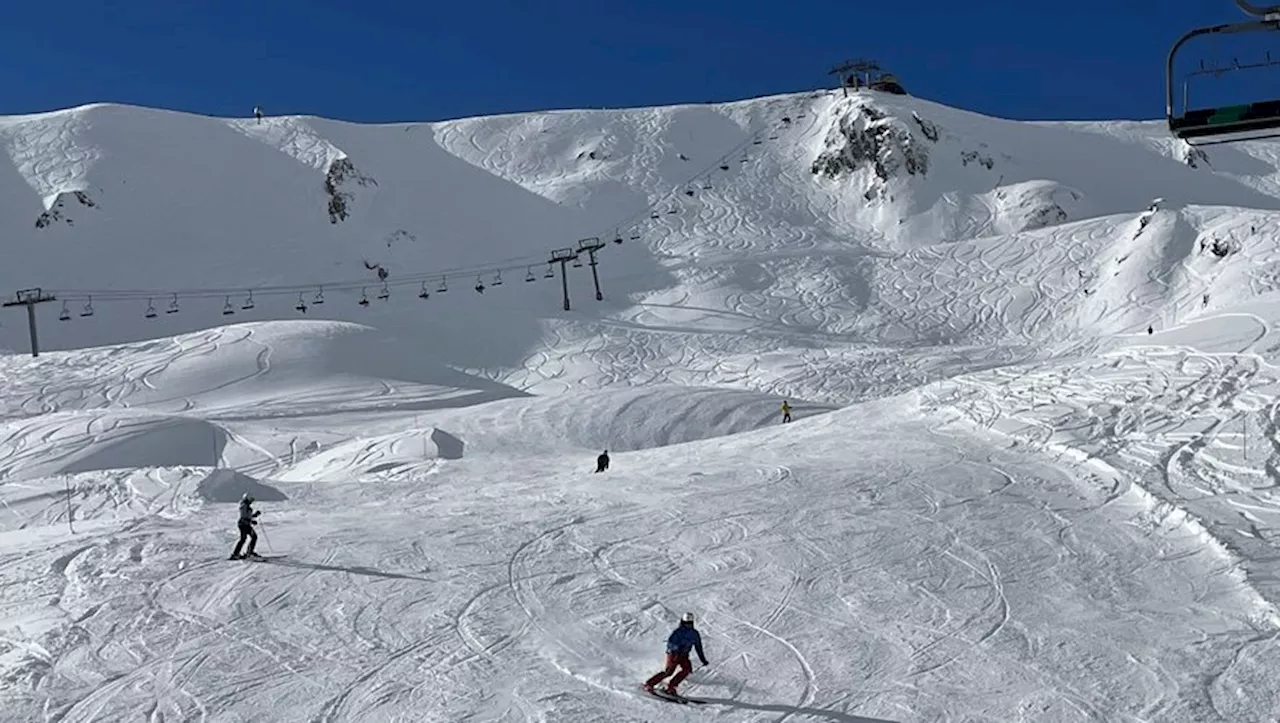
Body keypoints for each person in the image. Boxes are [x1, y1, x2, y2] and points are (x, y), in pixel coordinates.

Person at [643, 612, 709, 697]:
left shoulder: (694, 633)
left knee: (687, 669)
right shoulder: (678, 632)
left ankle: (671, 687)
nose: (687, 625)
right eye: (686, 623)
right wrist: (677, 648)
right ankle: (649, 684)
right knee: (669, 672)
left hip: (684, 655)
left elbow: (698, 647)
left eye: (689, 623)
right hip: (674, 654)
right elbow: (670, 643)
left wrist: (702, 659)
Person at [230, 493, 262, 560]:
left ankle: (248, 552)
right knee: (244, 538)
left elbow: (248, 516)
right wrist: (251, 521)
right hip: (243, 524)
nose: (251, 501)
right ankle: (237, 554)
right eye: (251, 500)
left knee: (252, 537)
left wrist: (255, 515)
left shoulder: (246, 505)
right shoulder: (244, 506)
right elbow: (244, 516)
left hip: (245, 524)